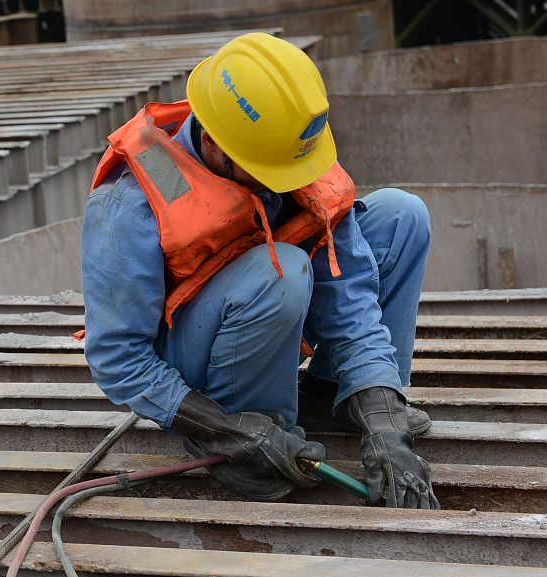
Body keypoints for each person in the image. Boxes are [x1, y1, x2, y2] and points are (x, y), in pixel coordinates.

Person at [81, 32, 438, 509]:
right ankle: (249, 428)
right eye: (270, 171)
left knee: (401, 215)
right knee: (282, 269)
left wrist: (384, 417)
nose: (285, 184)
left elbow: (349, 294)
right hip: (197, 366)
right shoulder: (129, 205)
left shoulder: (284, 153)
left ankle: (333, 393)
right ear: (213, 142)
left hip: (266, 304)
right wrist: (225, 429)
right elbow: (117, 358)